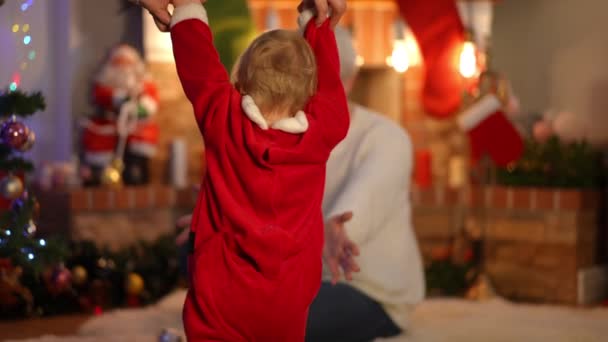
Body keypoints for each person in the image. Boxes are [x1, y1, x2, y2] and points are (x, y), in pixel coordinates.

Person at [138, 0, 349, 340]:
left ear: (242, 79)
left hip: (222, 290)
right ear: (307, 93)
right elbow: (330, 88)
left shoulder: (224, 120)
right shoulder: (322, 132)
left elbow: (201, 69)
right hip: (288, 296)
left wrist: (189, 9)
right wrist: (317, 26)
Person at [304, 27, 425, 342]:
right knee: (195, 250)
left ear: (348, 83)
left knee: (283, 317)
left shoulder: (386, 137)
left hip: (368, 291)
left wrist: (332, 229)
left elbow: (357, 210)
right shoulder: (286, 137)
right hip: (296, 275)